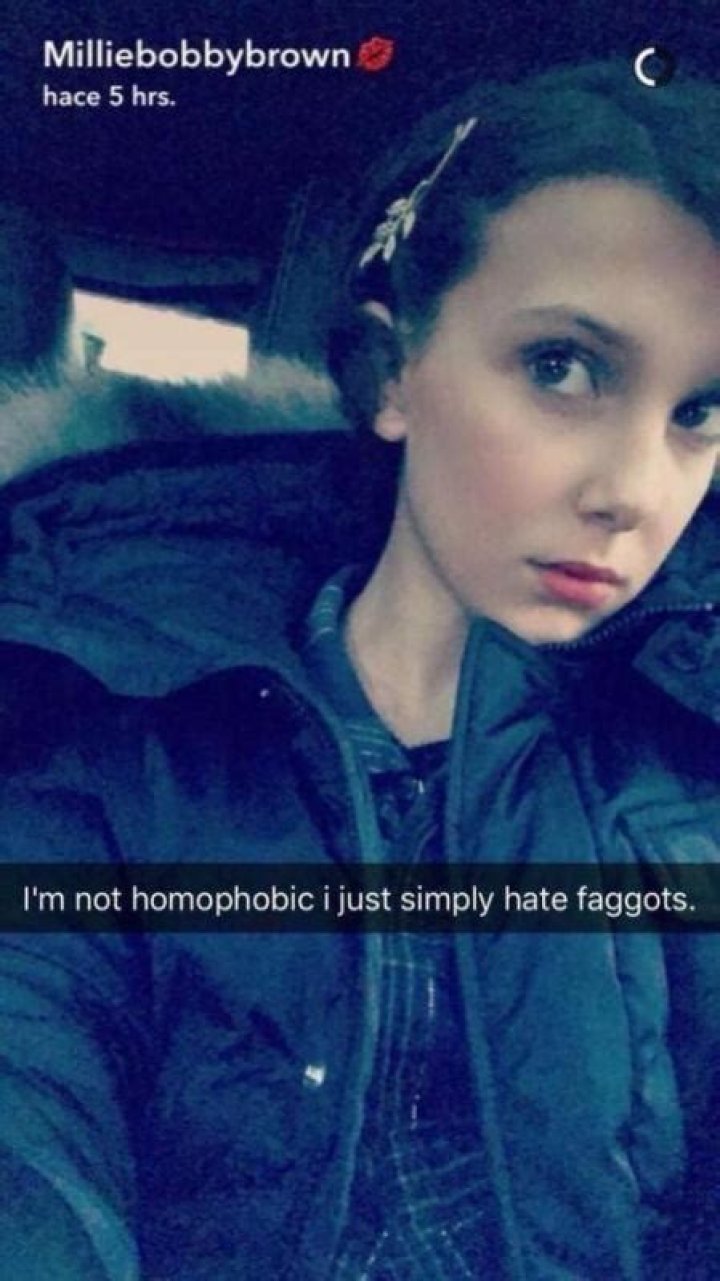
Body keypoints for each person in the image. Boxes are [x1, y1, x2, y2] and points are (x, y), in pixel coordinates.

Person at [0, 59, 719, 1281]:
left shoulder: (687, 777)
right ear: (392, 376)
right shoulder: (108, 753)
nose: (634, 492)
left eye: (698, 412)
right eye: (562, 366)